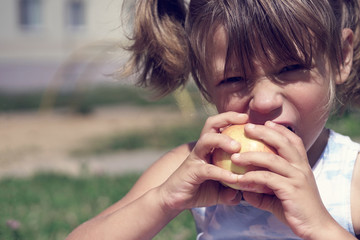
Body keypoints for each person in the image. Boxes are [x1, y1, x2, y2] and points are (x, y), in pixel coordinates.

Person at [66, 0, 360, 239]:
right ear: (205, 83)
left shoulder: (351, 177)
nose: (264, 100)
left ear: (340, 56)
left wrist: (320, 227)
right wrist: (164, 200)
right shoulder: (195, 166)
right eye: (233, 78)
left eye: (290, 68)